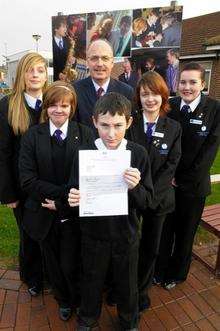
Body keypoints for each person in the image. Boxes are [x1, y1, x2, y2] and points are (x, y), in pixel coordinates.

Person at [68, 92, 154, 331]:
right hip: (93, 234)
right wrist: (73, 197)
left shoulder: (137, 154)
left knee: (127, 284)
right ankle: (87, 318)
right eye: (104, 125)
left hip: (126, 234)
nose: (111, 133)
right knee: (91, 280)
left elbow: (147, 201)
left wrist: (135, 188)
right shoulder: (84, 153)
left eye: (118, 125)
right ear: (94, 121)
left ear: (128, 122)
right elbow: (73, 189)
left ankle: (128, 321)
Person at [19, 81, 94, 320]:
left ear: (72, 107)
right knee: (53, 261)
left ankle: (78, 299)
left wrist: (63, 200)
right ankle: (63, 300)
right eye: (53, 105)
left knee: (75, 260)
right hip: (44, 211)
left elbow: (90, 176)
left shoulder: (85, 134)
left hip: (75, 211)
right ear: (46, 108)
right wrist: (61, 194)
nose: (59, 110)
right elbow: (27, 180)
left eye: (65, 105)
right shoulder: (33, 135)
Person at [155, 62, 220, 289]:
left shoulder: (215, 109)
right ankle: (159, 269)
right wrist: (167, 177)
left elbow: (208, 153)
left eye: (193, 82)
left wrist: (181, 180)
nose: (187, 87)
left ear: (203, 84)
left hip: (193, 188)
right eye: (183, 82)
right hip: (167, 185)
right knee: (165, 230)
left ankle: (177, 274)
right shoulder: (169, 106)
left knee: (185, 233)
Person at [127, 71, 181, 312]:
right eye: (145, 94)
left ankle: (141, 291)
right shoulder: (130, 123)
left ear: (163, 96)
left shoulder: (174, 127)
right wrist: (138, 191)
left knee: (150, 248)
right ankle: (124, 288)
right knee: (127, 245)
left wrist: (150, 196)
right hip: (130, 196)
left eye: (155, 94)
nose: (150, 99)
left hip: (158, 200)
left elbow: (172, 164)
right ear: (138, 97)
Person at [0, 52, 48, 296]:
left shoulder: (53, 101)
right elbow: (3, 152)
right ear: (21, 74)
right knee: (28, 233)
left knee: (49, 232)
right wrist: (8, 192)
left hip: (49, 184)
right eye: (30, 70)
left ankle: (49, 274)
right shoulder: (8, 105)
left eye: (40, 70)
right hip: (21, 187)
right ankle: (32, 277)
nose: (35, 75)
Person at [73, 39, 133, 131]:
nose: (100, 64)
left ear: (112, 62)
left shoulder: (126, 92)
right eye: (94, 58)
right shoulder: (75, 91)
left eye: (105, 58)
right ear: (87, 62)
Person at [52, 16, 70, 81]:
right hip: (54, 79)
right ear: (56, 29)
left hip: (65, 77)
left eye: (66, 27)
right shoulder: (50, 43)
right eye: (63, 27)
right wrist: (58, 74)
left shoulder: (68, 42)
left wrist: (73, 61)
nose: (66, 29)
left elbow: (69, 59)